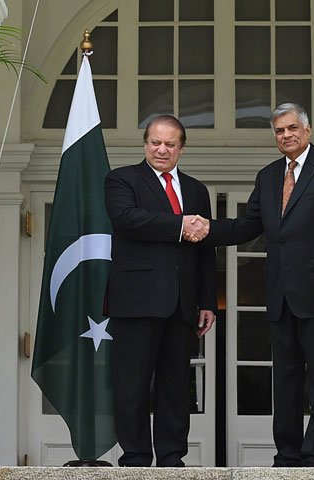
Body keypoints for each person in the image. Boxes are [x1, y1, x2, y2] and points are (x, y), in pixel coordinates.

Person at [195, 103, 314, 467]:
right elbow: (248, 225)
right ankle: (286, 456)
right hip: (280, 296)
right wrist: (208, 229)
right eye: (279, 131)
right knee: (283, 381)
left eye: (291, 128)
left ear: (308, 129)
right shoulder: (268, 176)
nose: (286, 136)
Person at [103, 115, 216, 467]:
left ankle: (171, 459)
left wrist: (208, 301)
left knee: (176, 387)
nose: (161, 149)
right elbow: (127, 219)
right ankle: (135, 458)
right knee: (132, 385)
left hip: (182, 303)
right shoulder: (122, 179)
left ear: (181, 147)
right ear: (145, 144)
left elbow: (205, 250)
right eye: (155, 142)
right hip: (136, 301)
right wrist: (181, 224)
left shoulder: (196, 190)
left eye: (169, 144)